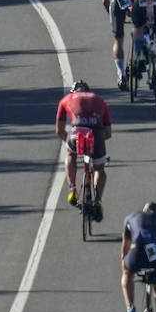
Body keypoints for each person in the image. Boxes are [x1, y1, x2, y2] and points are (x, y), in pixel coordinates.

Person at [56, 80, 111, 220]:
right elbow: (108, 132)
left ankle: (72, 188)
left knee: (70, 153)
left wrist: (68, 143)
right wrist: (98, 145)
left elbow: (59, 130)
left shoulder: (66, 100)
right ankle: (97, 201)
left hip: (77, 134)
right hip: (96, 135)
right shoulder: (100, 100)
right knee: (99, 169)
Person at [101, 0, 142, 90]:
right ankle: (140, 55)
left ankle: (121, 73)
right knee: (140, 27)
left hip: (116, 1)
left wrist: (111, 14)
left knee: (118, 38)